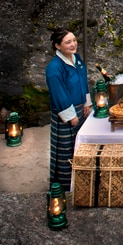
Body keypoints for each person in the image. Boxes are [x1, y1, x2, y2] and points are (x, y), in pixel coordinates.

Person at [45, 28, 91, 187]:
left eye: (74, 40)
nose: (73, 44)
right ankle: (64, 184)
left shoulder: (76, 58)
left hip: (80, 108)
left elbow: (83, 79)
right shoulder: (54, 67)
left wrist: (87, 102)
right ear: (57, 46)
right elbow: (59, 93)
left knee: (80, 144)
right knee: (66, 149)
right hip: (65, 112)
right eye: (68, 42)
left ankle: (80, 178)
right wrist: (71, 115)